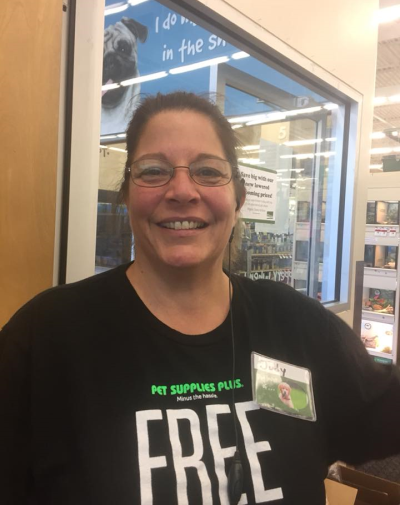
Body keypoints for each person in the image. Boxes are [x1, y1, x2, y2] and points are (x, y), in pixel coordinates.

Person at [1, 91, 400, 505]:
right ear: (127, 196)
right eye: (153, 171)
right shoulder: (46, 337)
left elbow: (379, 421)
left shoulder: (296, 324)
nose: (182, 190)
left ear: (238, 199)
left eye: (208, 171)